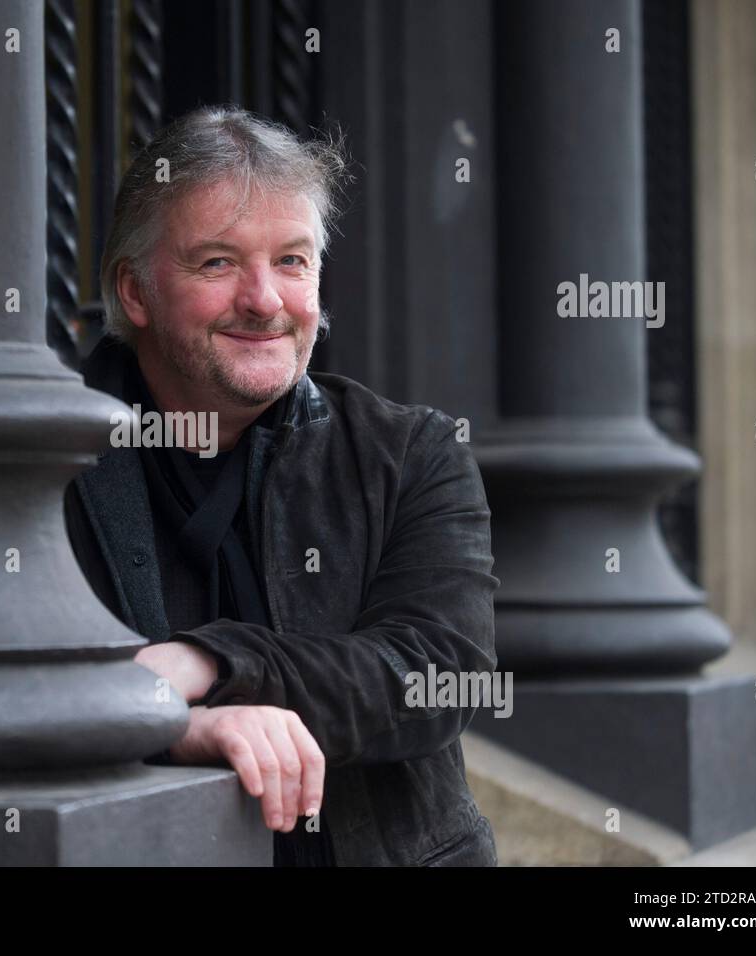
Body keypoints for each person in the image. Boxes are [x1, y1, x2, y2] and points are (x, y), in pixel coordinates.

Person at [63, 105, 499, 866]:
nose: (265, 301)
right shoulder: (44, 451)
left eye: (292, 262)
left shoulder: (408, 451)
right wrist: (172, 725)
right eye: (218, 263)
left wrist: (213, 662)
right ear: (135, 292)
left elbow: (441, 675)